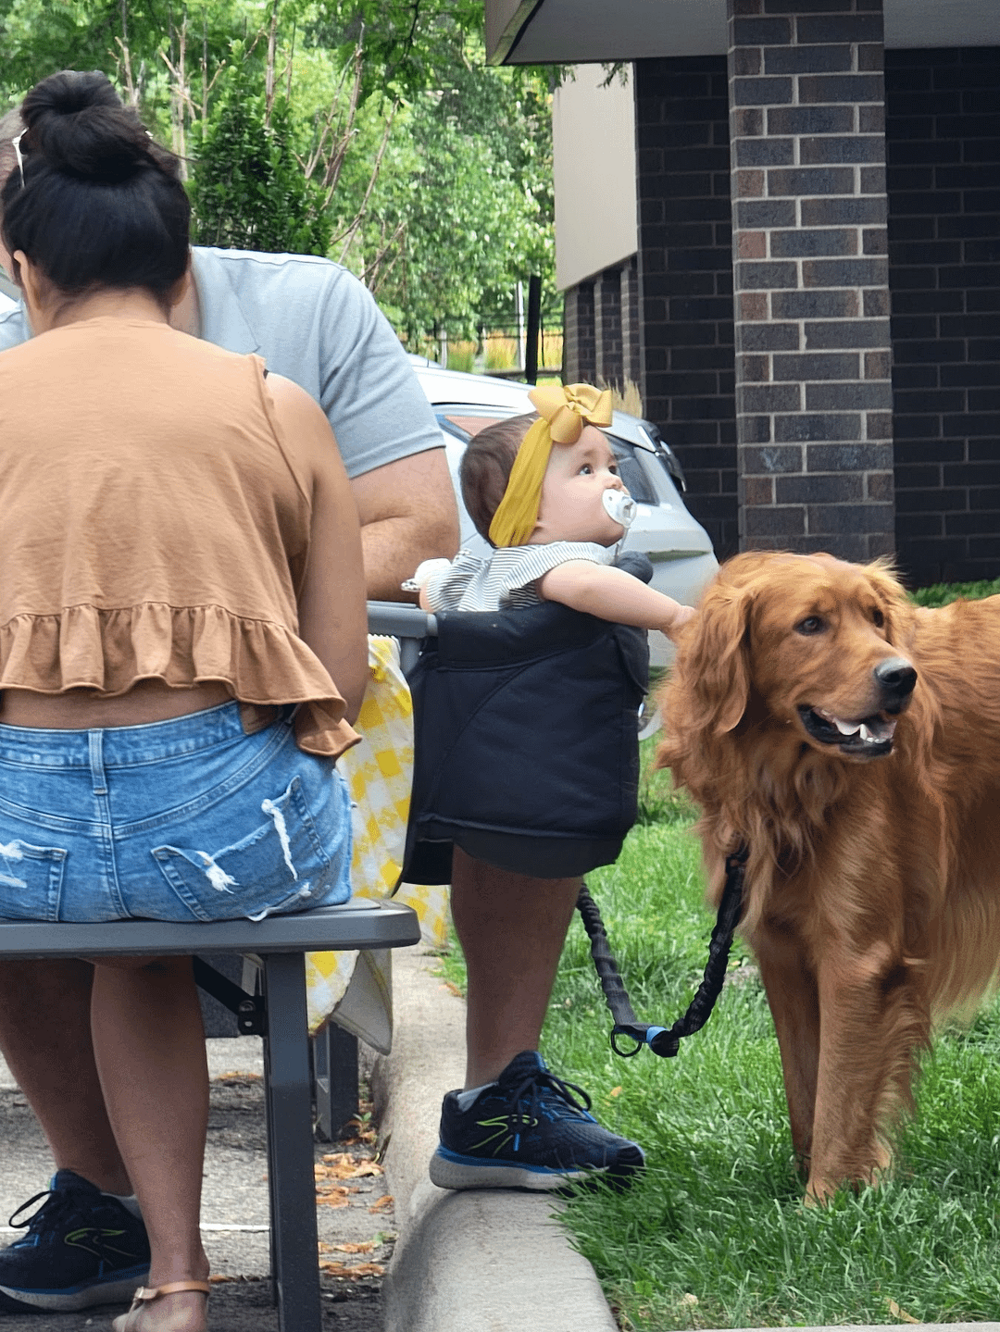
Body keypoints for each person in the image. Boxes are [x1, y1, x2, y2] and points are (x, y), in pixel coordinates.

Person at [0, 90, 460, 1317]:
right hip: (215, 851)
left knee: (91, 895)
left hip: (15, 854)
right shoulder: (272, 404)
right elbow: (336, 669)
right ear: (175, 262)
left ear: (24, 269)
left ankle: (125, 1231)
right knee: (148, 927)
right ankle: (176, 1282)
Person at [407, 384, 695, 1191]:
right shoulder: (562, 564)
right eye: (586, 469)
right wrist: (676, 618)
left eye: (612, 466)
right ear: (530, 510)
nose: (614, 483)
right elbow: (594, 593)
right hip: (532, 768)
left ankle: (496, 1105)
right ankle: (496, 1112)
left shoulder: (480, 565)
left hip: (473, 763)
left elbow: (434, 593)